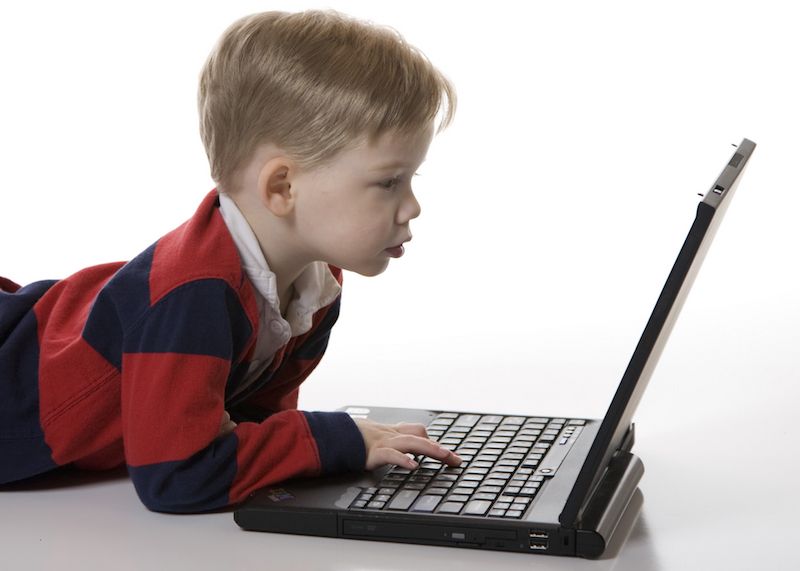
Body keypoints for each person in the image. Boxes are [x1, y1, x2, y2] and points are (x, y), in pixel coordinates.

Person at [0, 9, 460, 513]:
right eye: (389, 182)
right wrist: (339, 440)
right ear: (282, 187)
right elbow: (176, 476)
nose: (412, 206)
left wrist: (333, 447)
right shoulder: (194, 295)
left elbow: (250, 425)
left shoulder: (317, 286)